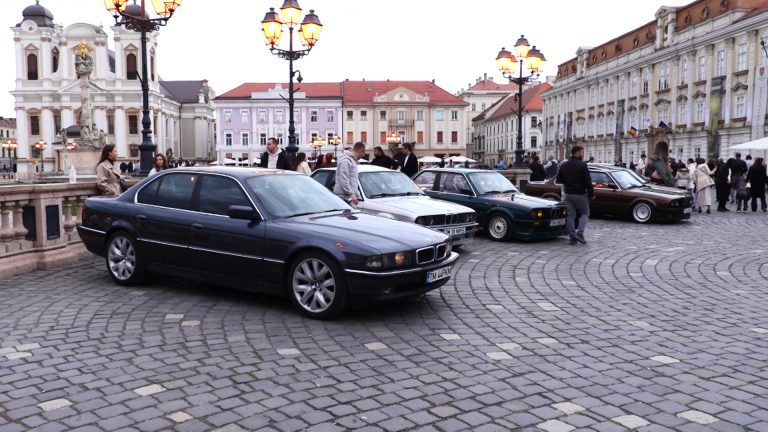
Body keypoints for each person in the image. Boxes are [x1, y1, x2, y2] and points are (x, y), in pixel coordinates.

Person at [556, 145, 594, 245]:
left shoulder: (564, 165)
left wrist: (568, 182)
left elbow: (559, 180)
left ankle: (572, 236)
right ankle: (580, 233)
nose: (583, 154)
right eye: (582, 152)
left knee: (570, 216)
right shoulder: (582, 165)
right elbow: (588, 181)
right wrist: (591, 193)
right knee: (585, 214)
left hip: (568, 194)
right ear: (578, 153)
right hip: (580, 193)